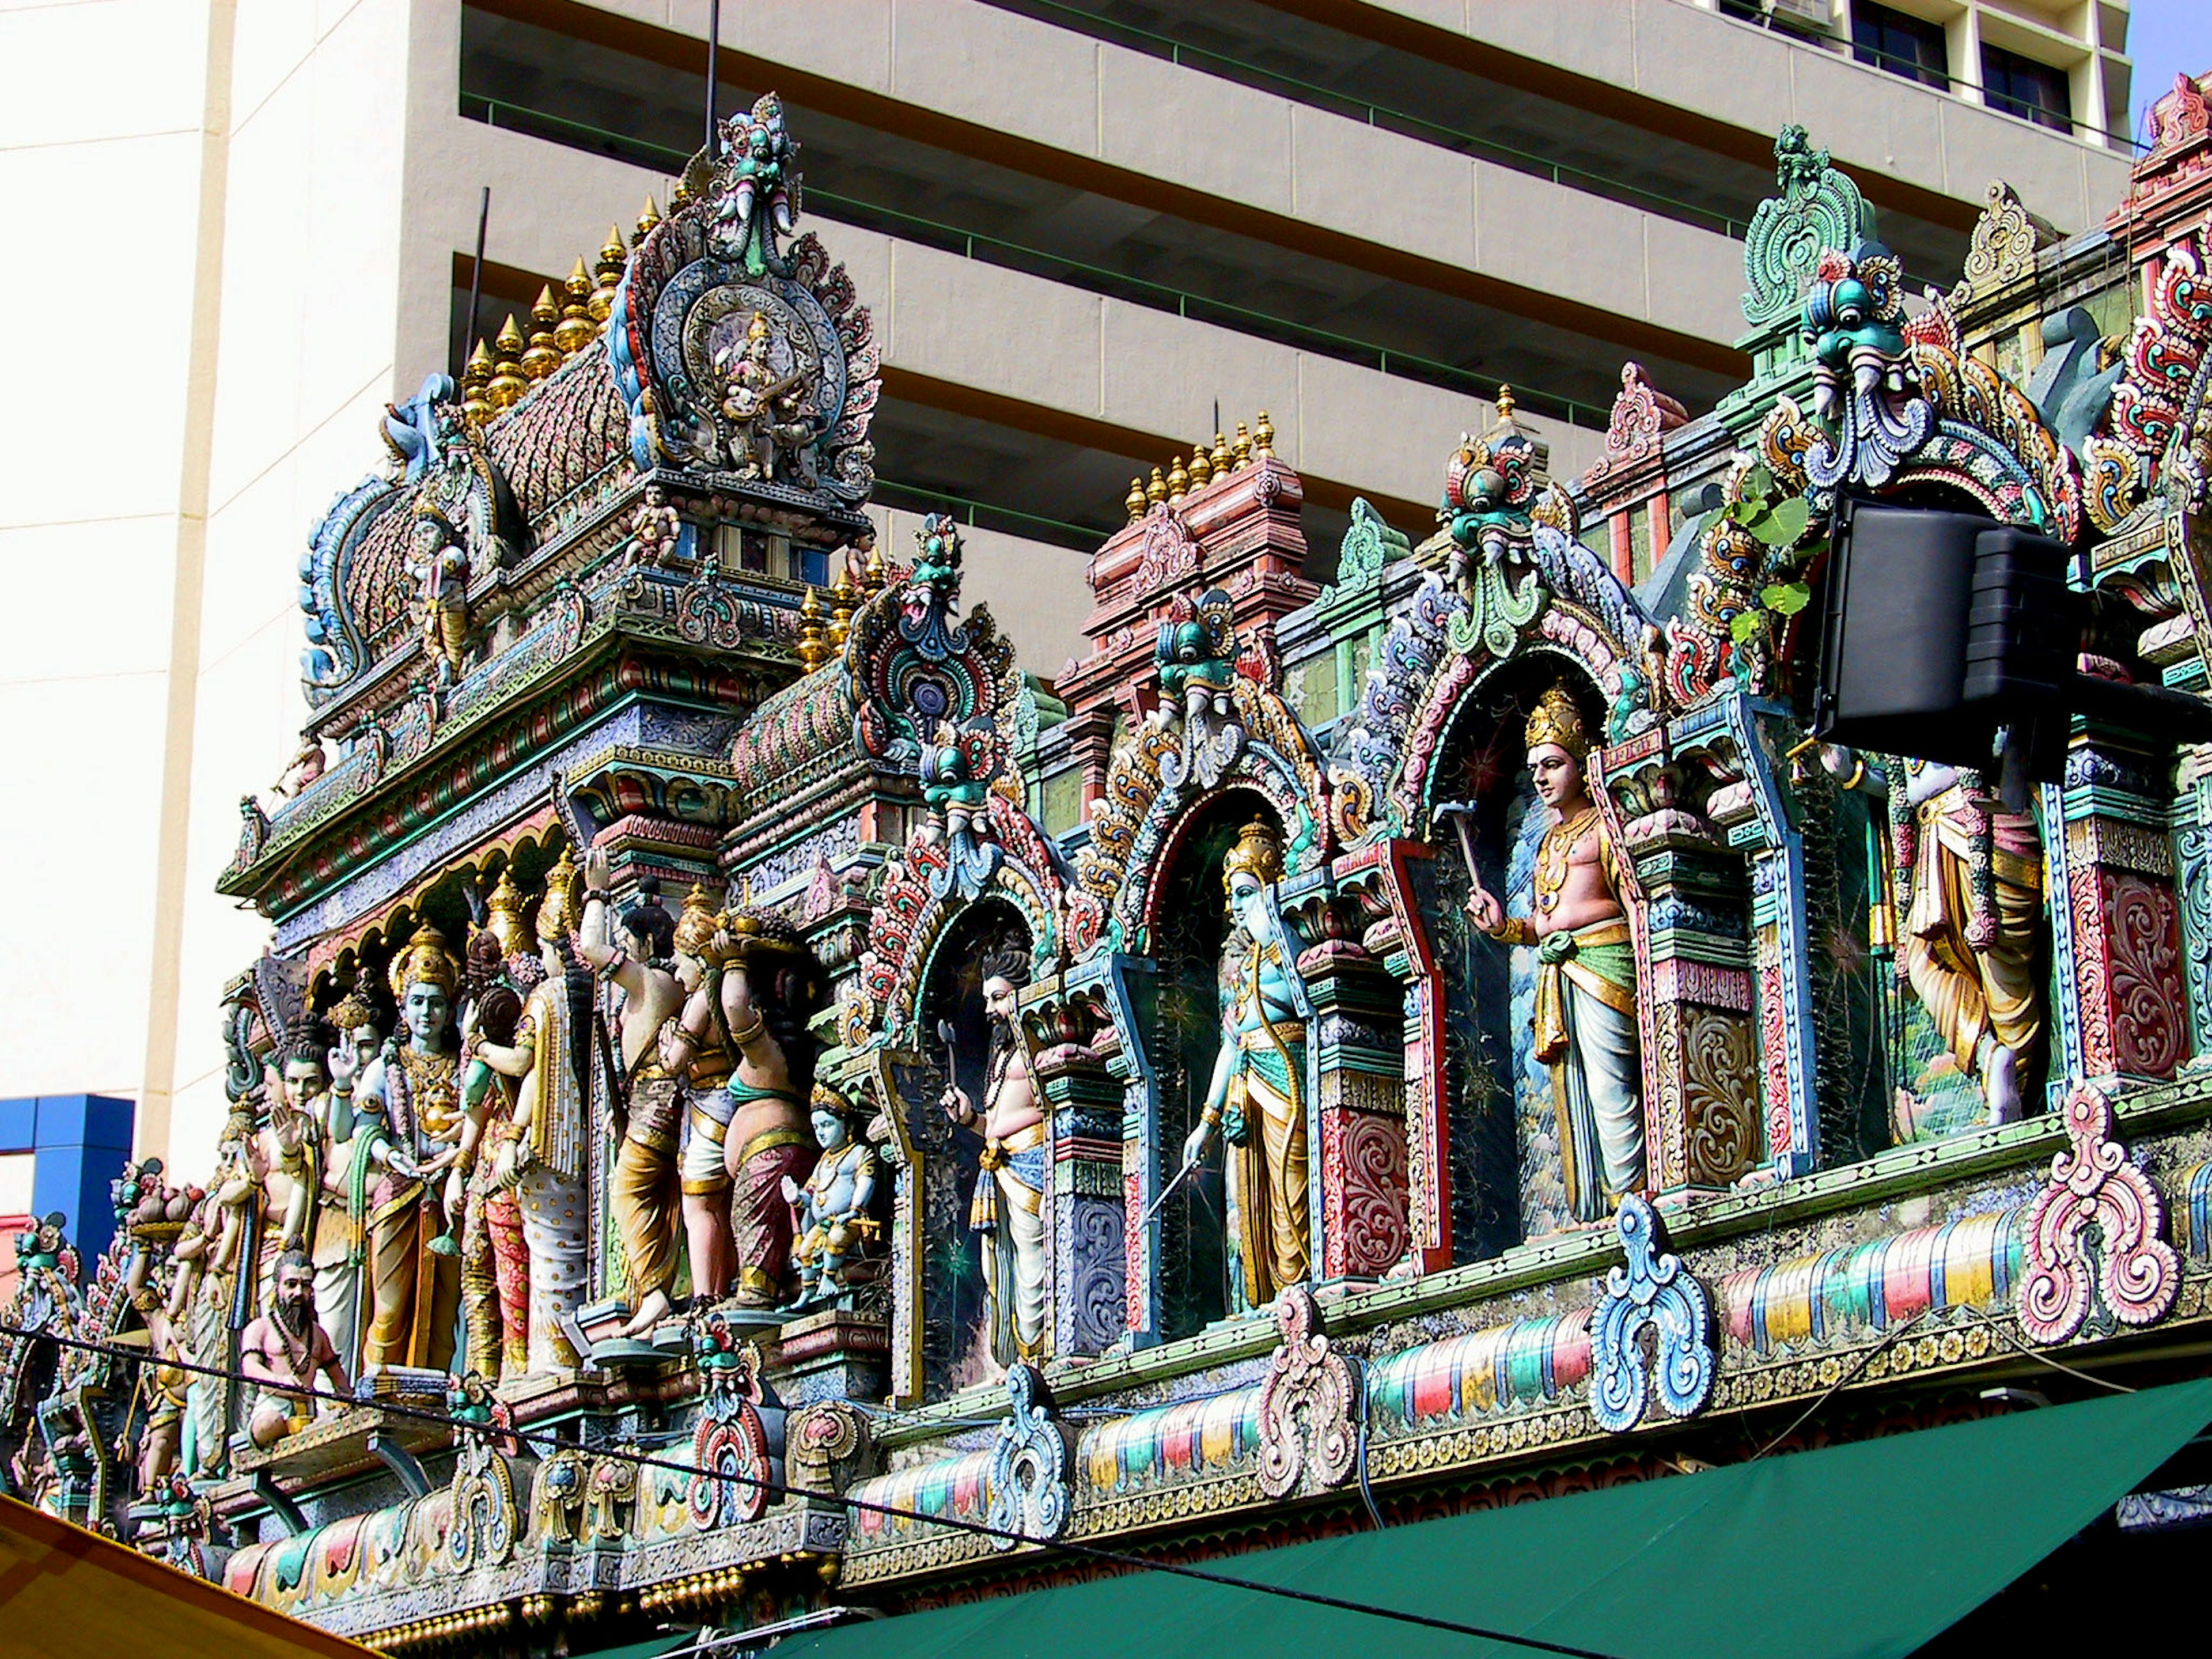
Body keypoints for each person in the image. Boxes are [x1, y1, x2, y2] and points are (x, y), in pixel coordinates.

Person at [1465, 684, 1645, 1225]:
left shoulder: (1604, 828)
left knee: (1613, 1086)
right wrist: (1503, 927)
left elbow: (1635, 900)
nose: (1541, 778)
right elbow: (1545, 923)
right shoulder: (1548, 842)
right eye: (1534, 768)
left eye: (1552, 765)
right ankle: (1595, 1207)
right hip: (1559, 974)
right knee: (1575, 1093)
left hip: (1603, 966)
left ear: (1583, 765)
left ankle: (1633, 1196)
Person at [1182, 819, 1312, 1312]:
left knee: (1290, 1190)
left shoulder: (1288, 946)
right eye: (1232, 897)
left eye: (1245, 894)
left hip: (1288, 1080)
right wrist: (1204, 1125)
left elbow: (1311, 1001)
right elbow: (1229, 1044)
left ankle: (1297, 1287)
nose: (1235, 908)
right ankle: (1258, 1301)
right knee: (1247, 1195)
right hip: (1245, 1087)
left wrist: (1275, 933)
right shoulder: (1240, 967)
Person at [577, 846, 687, 1337]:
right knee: (652, 1195)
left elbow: (592, 951)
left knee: (626, 1192)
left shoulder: (652, 981)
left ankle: (657, 1292)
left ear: (645, 943)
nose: (621, 944)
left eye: (627, 937)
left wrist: (597, 893)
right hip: (643, 1101)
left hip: (656, 1102)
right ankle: (652, 1289)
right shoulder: (650, 986)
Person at [1895, 759, 2043, 1123]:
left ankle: (2015, 1092)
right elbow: (1909, 780)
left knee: (1998, 963)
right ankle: (1990, 1058)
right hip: (1932, 838)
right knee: (1922, 962)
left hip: (1986, 829)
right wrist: (1849, 771)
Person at [355, 926, 467, 1375]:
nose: (428, 1013)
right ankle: (378, 1384)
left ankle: (435, 1389)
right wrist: (389, 1155)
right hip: (399, 1190)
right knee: (391, 1305)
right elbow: (366, 1127)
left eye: (437, 1003)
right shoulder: (387, 1066)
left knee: (444, 1313)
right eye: (418, 1002)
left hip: (448, 1191)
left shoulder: (463, 1065)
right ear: (403, 1006)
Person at [942, 951, 1047, 1361]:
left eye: (1000, 998)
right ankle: (1008, 1357)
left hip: (1031, 1161)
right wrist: (969, 1118)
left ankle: (1038, 1351)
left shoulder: (1036, 1044)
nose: (991, 1010)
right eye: (988, 1000)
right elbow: (998, 1123)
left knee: (1033, 1258)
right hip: (998, 1164)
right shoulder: (1001, 1055)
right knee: (996, 1265)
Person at [238, 1250, 350, 1448]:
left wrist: (350, 1403)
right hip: (272, 1408)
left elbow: (340, 1382)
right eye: (291, 1284)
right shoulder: (260, 1328)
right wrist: (281, 1382)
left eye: (305, 1286)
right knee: (269, 1424)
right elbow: (250, 1369)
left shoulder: (318, 1335)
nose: (299, 1293)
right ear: (276, 1288)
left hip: (308, 1414)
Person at [783, 1085, 880, 1305]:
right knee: (805, 1250)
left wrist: (854, 1209)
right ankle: (807, 1292)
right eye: (817, 1127)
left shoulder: (859, 1153)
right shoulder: (824, 1162)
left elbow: (866, 1182)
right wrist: (796, 1198)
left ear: (848, 1125)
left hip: (850, 1221)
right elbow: (812, 1194)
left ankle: (828, 1278)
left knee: (836, 1239)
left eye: (827, 1125)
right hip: (823, 1223)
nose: (821, 1133)